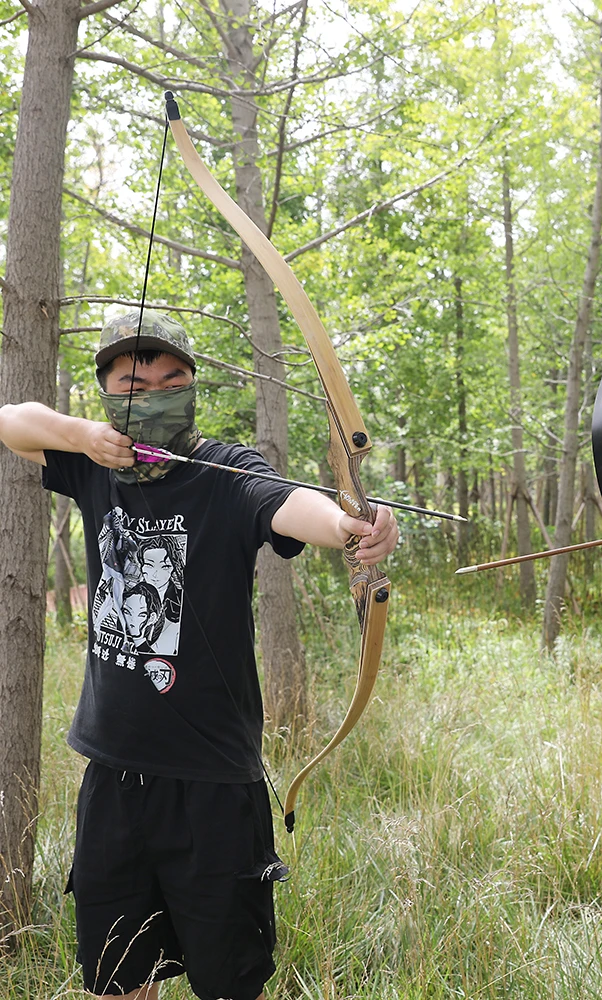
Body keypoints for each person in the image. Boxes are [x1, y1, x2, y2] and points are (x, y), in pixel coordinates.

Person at [0, 308, 399, 1000]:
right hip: (114, 777)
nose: (153, 395)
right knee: (119, 981)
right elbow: (12, 420)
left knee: (228, 983)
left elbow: (288, 503)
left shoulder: (224, 469)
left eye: (171, 380)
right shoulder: (94, 466)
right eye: (134, 382)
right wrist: (84, 437)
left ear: (191, 390)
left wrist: (350, 525)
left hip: (214, 784)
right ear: (106, 392)